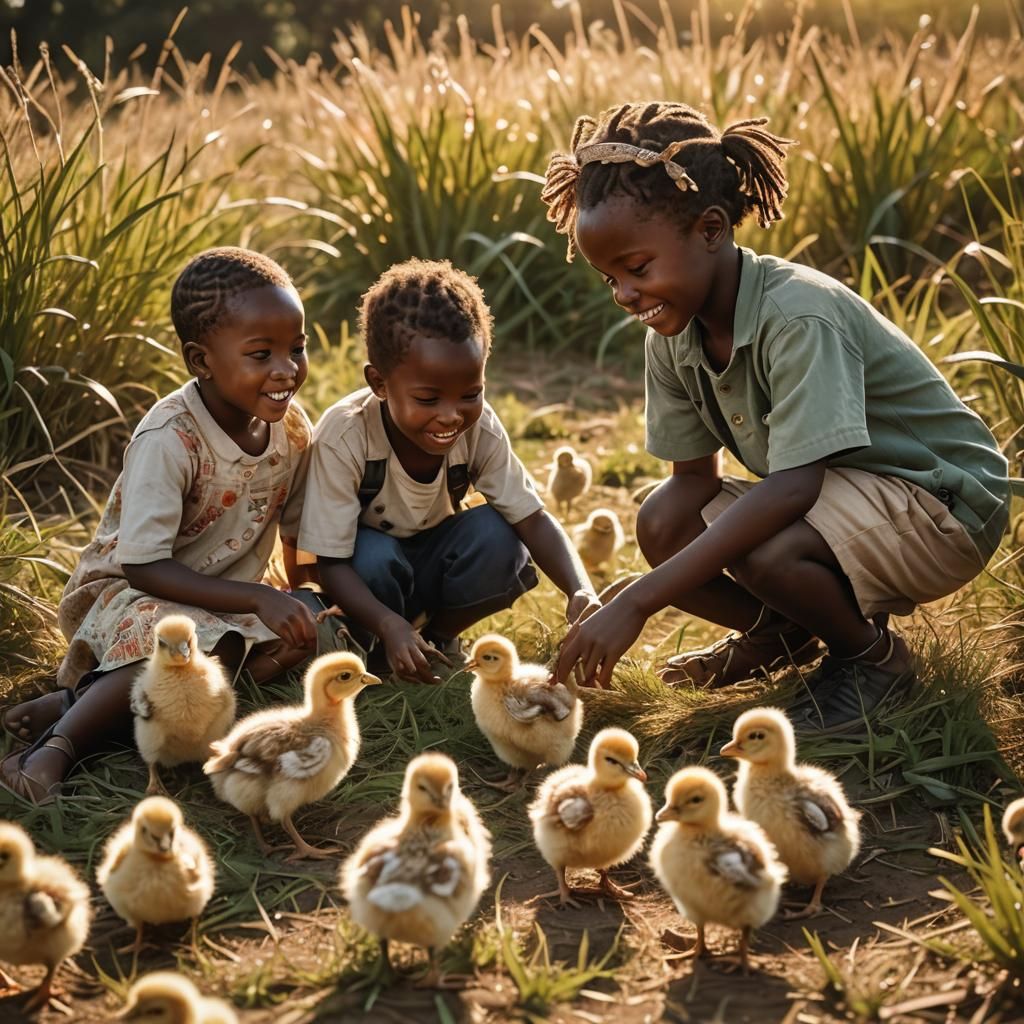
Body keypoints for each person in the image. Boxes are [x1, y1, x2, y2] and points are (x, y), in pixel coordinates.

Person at [546, 101, 1009, 730]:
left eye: (637, 268)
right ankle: (783, 635)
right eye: (610, 279)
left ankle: (875, 661)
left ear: (711, 230)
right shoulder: (671, 338)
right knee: (663, 518)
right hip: (851, 497)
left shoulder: (797, 317)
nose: (626, 295)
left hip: (942, 505)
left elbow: (793, 489)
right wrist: (639, 584)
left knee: (768, 545)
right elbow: (692, 485)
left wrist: (639, 601)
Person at [1, 247, 320, 802]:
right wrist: (255, 600)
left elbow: (293, 531)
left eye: (297, 348)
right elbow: (143, 565)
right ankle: (52, 750)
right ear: (201, 361)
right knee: (182, 644)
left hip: (224, 604)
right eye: (261, 354)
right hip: (131, 596)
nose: (286, 370)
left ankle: (78, 702)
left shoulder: (291, 431)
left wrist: (293, 599)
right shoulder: (170, 439)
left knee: (300, 635)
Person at [298, 258, 600, 683]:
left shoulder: (479, 428)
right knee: (373, 556)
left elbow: (531, 518)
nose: (450, 416)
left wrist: (580, 589)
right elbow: (330, 563)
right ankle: (379, 646)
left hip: (437, 561)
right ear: (379, 384)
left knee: (500, 535)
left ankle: (439, 640)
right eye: (427, 399)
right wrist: (388, 624)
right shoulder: (344, 435)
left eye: (470, 394)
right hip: (368, 582)